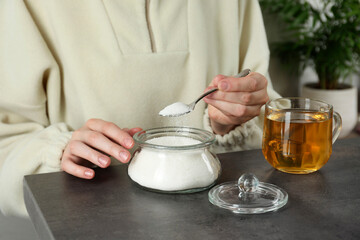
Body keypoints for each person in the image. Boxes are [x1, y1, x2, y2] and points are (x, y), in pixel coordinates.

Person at [0, 0, 281, 217]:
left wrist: (235, 120)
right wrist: (59, 154)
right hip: (94, 225)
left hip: (228, 222)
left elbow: (270, 113)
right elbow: (7, 145)